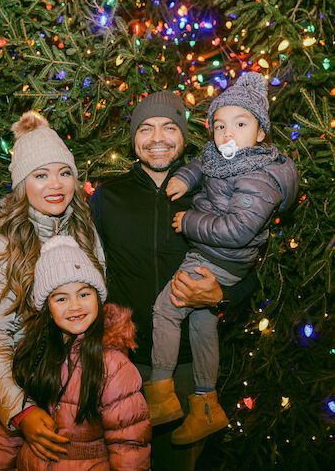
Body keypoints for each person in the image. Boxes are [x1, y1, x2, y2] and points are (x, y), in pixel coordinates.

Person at [89, 90, 259, 470]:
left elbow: (249, 274)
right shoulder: (107, 197)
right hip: (121, 363)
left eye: (169, 127)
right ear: (133, 139)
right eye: (146, 129)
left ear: (184, 137)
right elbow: (85, 269)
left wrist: (221, 295)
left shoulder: (214, 192)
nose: (158, 138)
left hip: (187, 367)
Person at [147, 72, 299, 445]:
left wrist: (190, 221)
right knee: (201, 322)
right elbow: (207, 164)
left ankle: (160, 396)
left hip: (221, 257)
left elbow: (238, 230)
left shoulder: (261, 177)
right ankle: (206, 405)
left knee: (166, 309)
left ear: (261, 132)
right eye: (219, 125)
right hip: (217, 254)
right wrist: (184, 176)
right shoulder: (226, 156)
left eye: (241, 124)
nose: (227, 134)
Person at [0, 111, 106, 463]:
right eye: (41, 175)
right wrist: (20, 411)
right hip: (28, 392)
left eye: (64, 173)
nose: (56, 185)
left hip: (84, 392)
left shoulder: (84, 230)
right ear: (22, 184)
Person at [0, 235, 151, 470]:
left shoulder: (114, 365)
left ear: (98, 297)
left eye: (84, 294)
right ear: (47, 309)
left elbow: (129, 446)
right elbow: (6, 436)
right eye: (61, 298)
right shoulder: (31, 354)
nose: (75, 306)